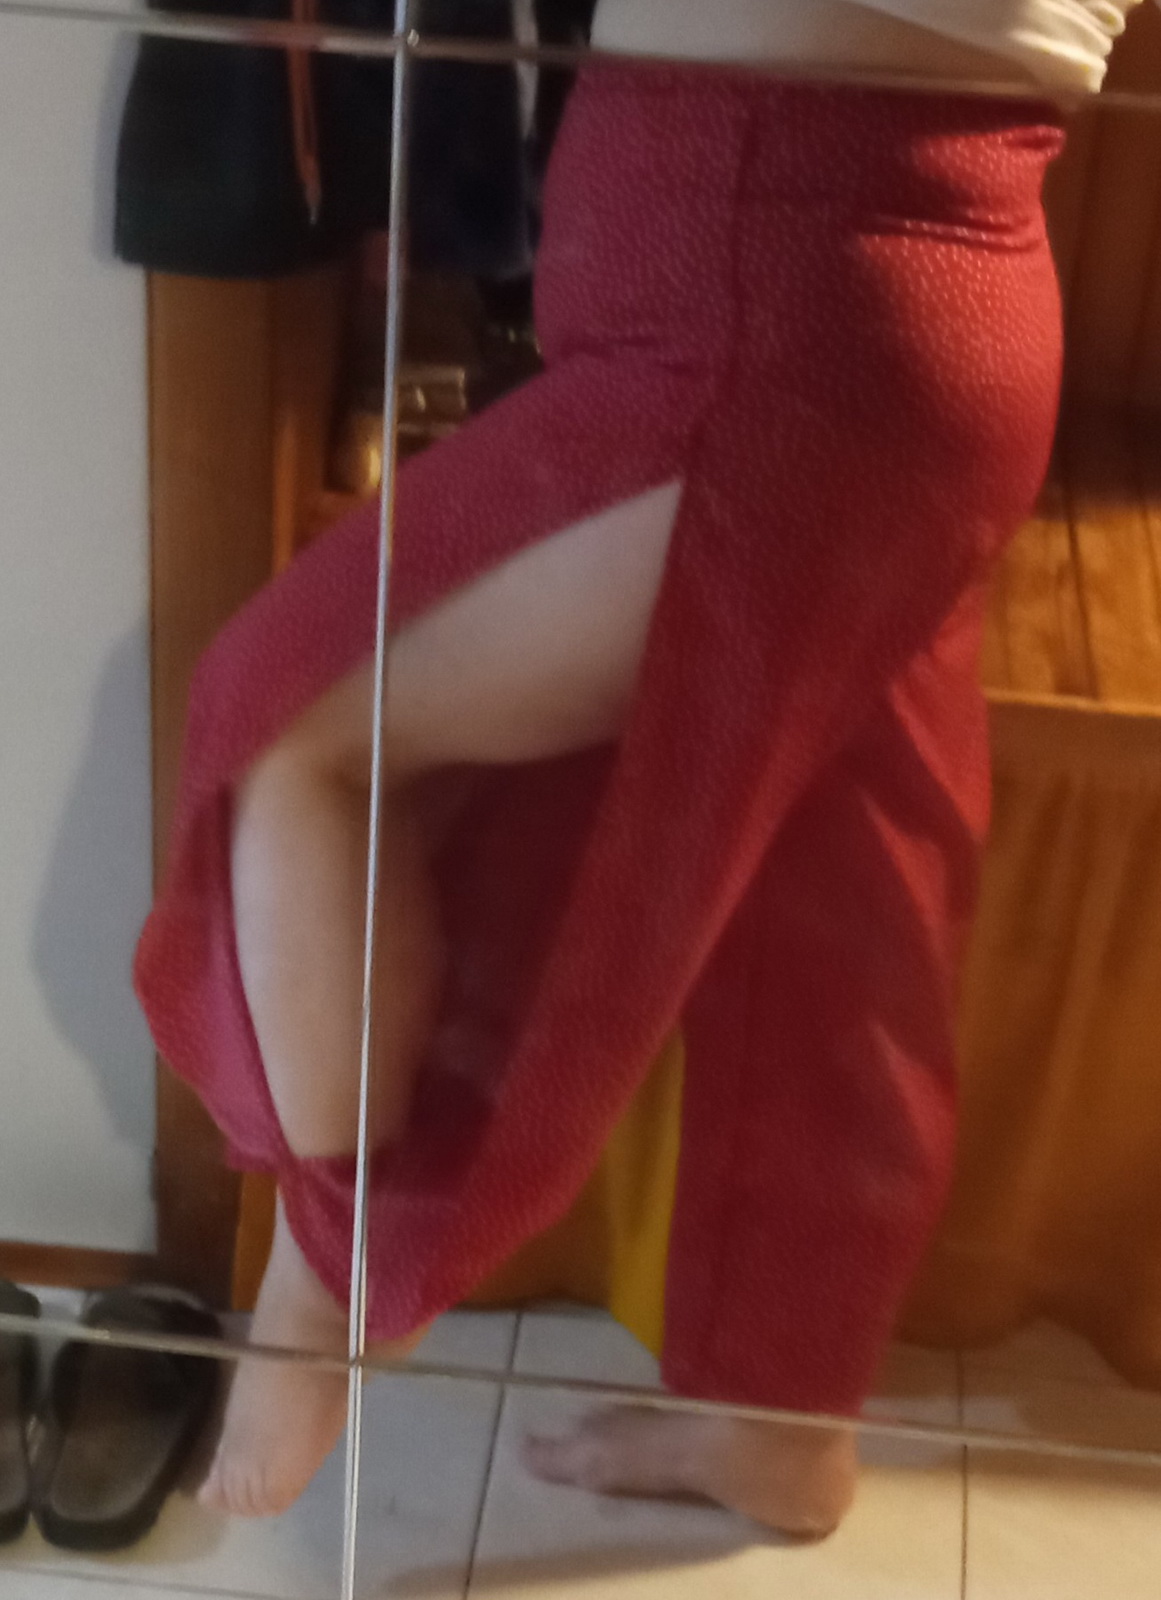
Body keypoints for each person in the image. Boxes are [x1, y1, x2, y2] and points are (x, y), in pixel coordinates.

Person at [136, 0, 1137, 1532]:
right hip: (913, 316)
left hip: (783, 324)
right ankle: (778, 1429)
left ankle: (325, 1288)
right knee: (837, 928)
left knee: (292, 729)